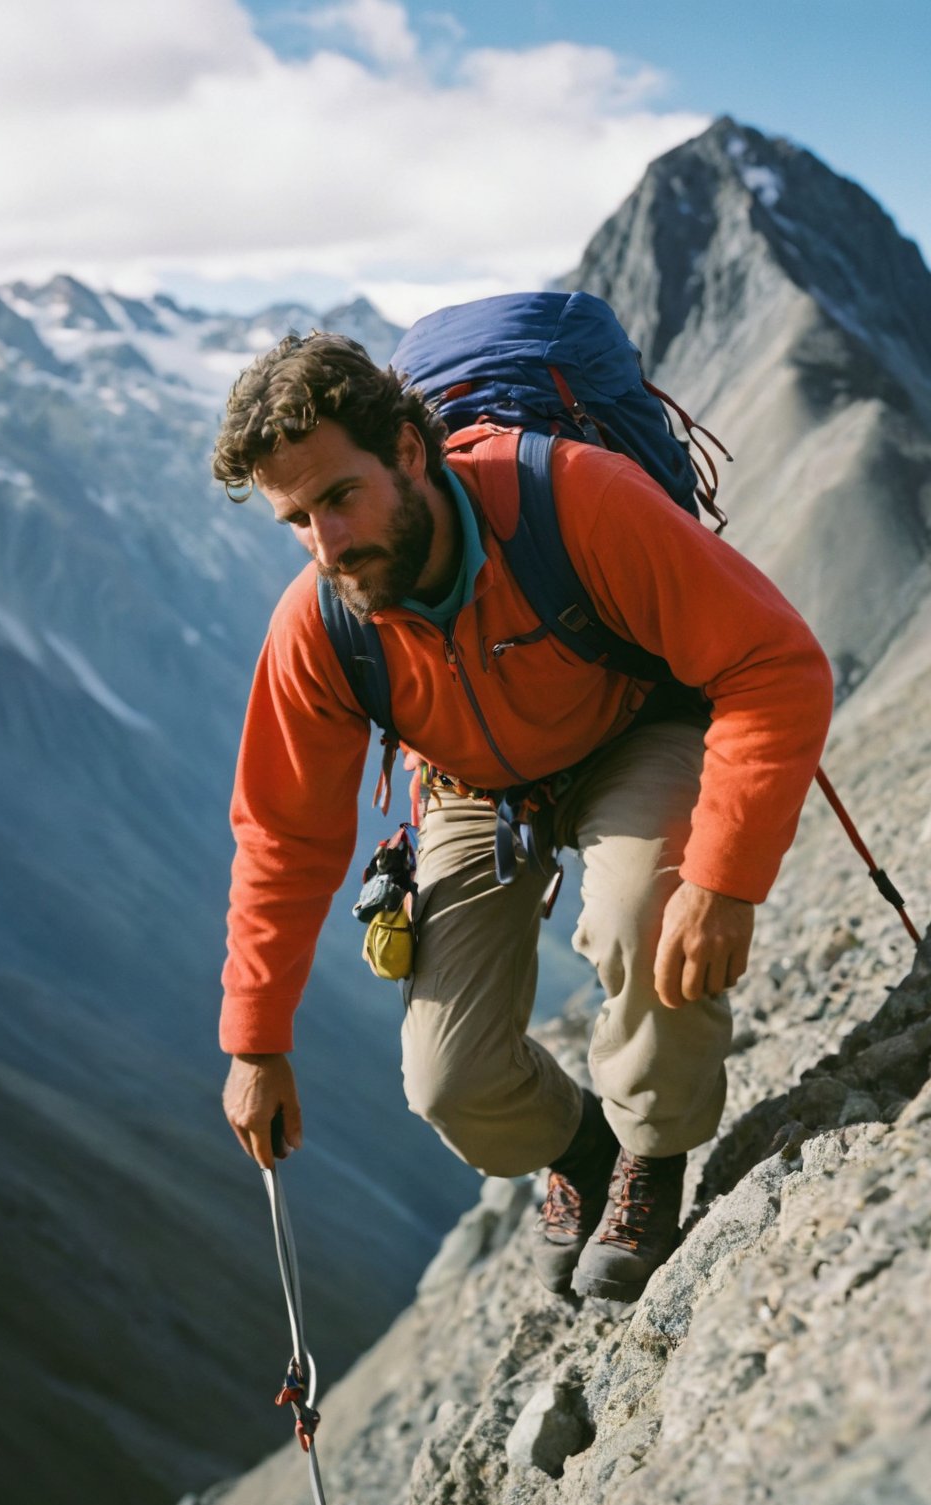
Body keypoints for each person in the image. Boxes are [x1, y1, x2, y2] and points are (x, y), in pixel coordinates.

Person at [213, 331, 833, 1302]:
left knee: (641, 914)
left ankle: (651, 1154)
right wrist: (255, 1042)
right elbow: (284, 834)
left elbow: (773, 665)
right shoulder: (322, 624)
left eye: (341, 496)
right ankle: (586, 1148)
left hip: (632, 731)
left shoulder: (572, 500)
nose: (328, 543)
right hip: (470, 790)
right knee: (448, 1084)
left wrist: (723, 879)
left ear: (409, 452)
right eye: (297, 519)